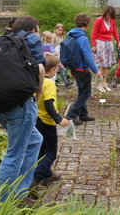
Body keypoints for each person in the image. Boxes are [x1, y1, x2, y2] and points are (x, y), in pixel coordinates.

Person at [0, 15, 44, 201]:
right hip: (20, 104)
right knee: (14, 155)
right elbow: (39, 69)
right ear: (35, 28)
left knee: (35, 140)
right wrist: (38, 93)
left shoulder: (4, 41)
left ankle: (20, 191)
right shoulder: (32, 39)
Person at [32, 53, 69, 187]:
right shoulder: (49, 84)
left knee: (41, 151)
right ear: (53, 69)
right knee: (51, 153)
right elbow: (49, 104)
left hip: (37, 119)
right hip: (47, 122)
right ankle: (36, 178)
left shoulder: (37, 80)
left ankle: (47, 175)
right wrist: (59, 119)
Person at [66, 13, 102, 125]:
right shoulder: (83, 38)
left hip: (75, 68)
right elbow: (88, 56)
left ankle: (83, 115)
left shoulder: (71, 35)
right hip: (83, 70)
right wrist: (96, 71)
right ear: (87, 23)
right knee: (85, 93)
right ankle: (71, 115)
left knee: (82, 92)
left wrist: (71, 69)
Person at [91, 6, 120, 92]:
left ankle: (104, 83)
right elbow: (93, 33)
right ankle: (99, 84)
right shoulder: (99, 20)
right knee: (101, 65)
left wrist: (118, 42)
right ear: (105, 13)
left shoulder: (112, 21)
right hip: (100, 44)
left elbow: (114, 32)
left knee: (106, 66)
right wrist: (93, 45)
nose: (109, 17)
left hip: (109, 44)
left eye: (111, 15)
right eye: (108, 14)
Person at [52, 23, 73, 87]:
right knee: (56, 68)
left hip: (60, 54)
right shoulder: (54, 36)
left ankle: (66, 82)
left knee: (61, 68)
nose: (60, 32)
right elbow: (52, 45)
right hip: (55, 54)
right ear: (56, 30)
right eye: (59, 30)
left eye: (61, 30)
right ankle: (53, 82)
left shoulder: (61, 37)